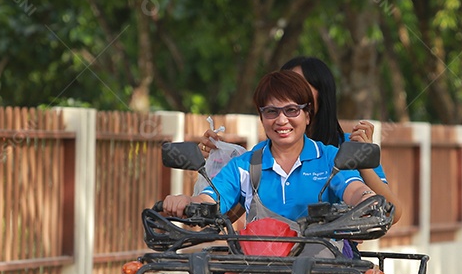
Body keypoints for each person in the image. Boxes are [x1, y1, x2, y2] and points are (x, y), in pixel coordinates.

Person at [163, 70, 387, 224]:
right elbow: (210, 199)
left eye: (292, 110)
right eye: (271, 111)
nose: (281, 120)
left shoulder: (331, 159)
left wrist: (367, 199)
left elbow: (355, 189)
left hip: (322, 267)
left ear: (308, 115)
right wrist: (186, 201)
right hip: (257, 265)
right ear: (261, 117)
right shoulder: (245, 165)